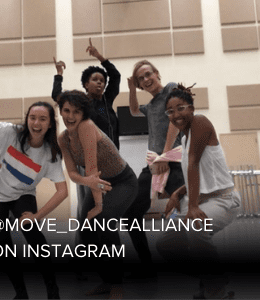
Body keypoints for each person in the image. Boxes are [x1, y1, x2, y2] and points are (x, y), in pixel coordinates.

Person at [0, 102, 68, 299]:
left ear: (50, 124)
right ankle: (21, 293)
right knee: (3, 245)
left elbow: (62, 191)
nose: (36, 123)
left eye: (43, 119)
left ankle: (53, 291)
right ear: (27, 119)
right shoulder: (11, 132)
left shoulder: (51, 153)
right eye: (32, 117)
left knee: (35, 238)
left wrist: (37, 215)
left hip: (23, 194)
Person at [157, 84, 241, 299]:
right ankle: (214, 277)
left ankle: (217, 291)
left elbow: (193, 164)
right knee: (166, 245)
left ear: (192, 108)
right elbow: (196, 173)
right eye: (171, 111)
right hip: (199, 200)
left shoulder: (201, 122)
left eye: (181, 108)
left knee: (196, 229)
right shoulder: (184, 140)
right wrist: (177, 194)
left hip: (222, 199)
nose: (176, 114)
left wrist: (192, 206)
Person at [57, 90, 138, 298]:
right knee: (86, 232)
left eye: (76, 111)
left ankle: (117, 285)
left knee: (105, 221)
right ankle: (107, 281)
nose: (71, 116)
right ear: (61, 111)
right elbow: (74, 173)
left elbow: (92, 168)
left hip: (123, 181)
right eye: (66, 110)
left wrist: (99, 205)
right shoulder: (63, 138)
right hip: (98, 183)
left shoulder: (86, 126)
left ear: (84, 113)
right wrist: (87, 182)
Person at [124, 60, 184, 278]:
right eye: (141, 78)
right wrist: (131, 88)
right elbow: (132, 110)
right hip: (153, 165)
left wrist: (165, 155)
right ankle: (147, 267)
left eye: (148, 74)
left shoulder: (170, 89)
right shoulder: (149, 107)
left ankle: (209, 276)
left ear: (157, 74)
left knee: (190, 212)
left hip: (174, 162)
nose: (146, 79)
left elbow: (176, 119)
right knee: (130, 213)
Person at [52, 38, 120, 150]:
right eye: (95, 79)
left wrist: (99, 56)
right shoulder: (81, 102)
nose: (99, 82)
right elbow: (57, 95)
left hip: (112, 156)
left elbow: (115, 76)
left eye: (102, 81)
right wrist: (59, 74)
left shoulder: (107, 99)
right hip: (88, 158)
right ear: (86, 84)